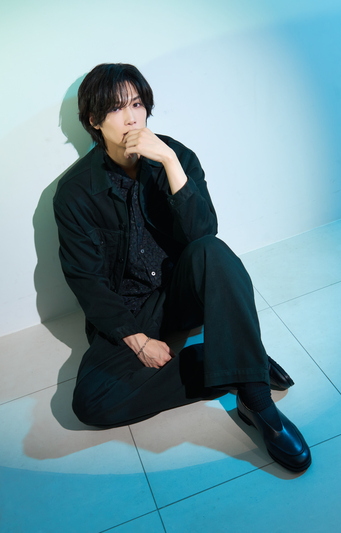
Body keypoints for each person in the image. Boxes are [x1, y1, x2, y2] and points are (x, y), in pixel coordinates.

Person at [53, 63, 311, 472]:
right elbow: (86, 281)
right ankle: (238, 361)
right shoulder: (74, 193)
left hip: (180, 290)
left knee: (212, 251)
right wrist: (137, 339)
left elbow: (203, 234)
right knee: (91, 402)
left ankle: (256, 399)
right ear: (93, 121)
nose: (132, 117)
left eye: (137, 104)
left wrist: (170, 163)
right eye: (116, 108)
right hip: (130, 310)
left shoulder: (176, 156)